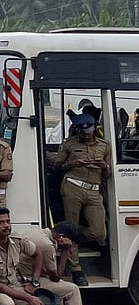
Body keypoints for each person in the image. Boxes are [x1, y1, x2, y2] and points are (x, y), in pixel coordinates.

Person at [18, 221, 105, 305]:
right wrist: (64, 251)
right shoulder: (47, 245)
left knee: (63, 289)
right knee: (72, 290)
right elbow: (56, 276)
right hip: (29, 281)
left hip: (26, 276)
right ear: (61, 237)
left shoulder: (36, 232)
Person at [54, 111, 111, 287]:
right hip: (73, 187)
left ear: (95, 128)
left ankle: (67, 235)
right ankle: (77, 269)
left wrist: (104, 166)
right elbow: (57, 167)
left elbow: (107, 174)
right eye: (82, 131)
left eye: (89, 130)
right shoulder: (69, 144)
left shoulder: (104, 145)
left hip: (94, 190)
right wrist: (72, 164)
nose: (86, 134)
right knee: (71, 224)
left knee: (99, 232)